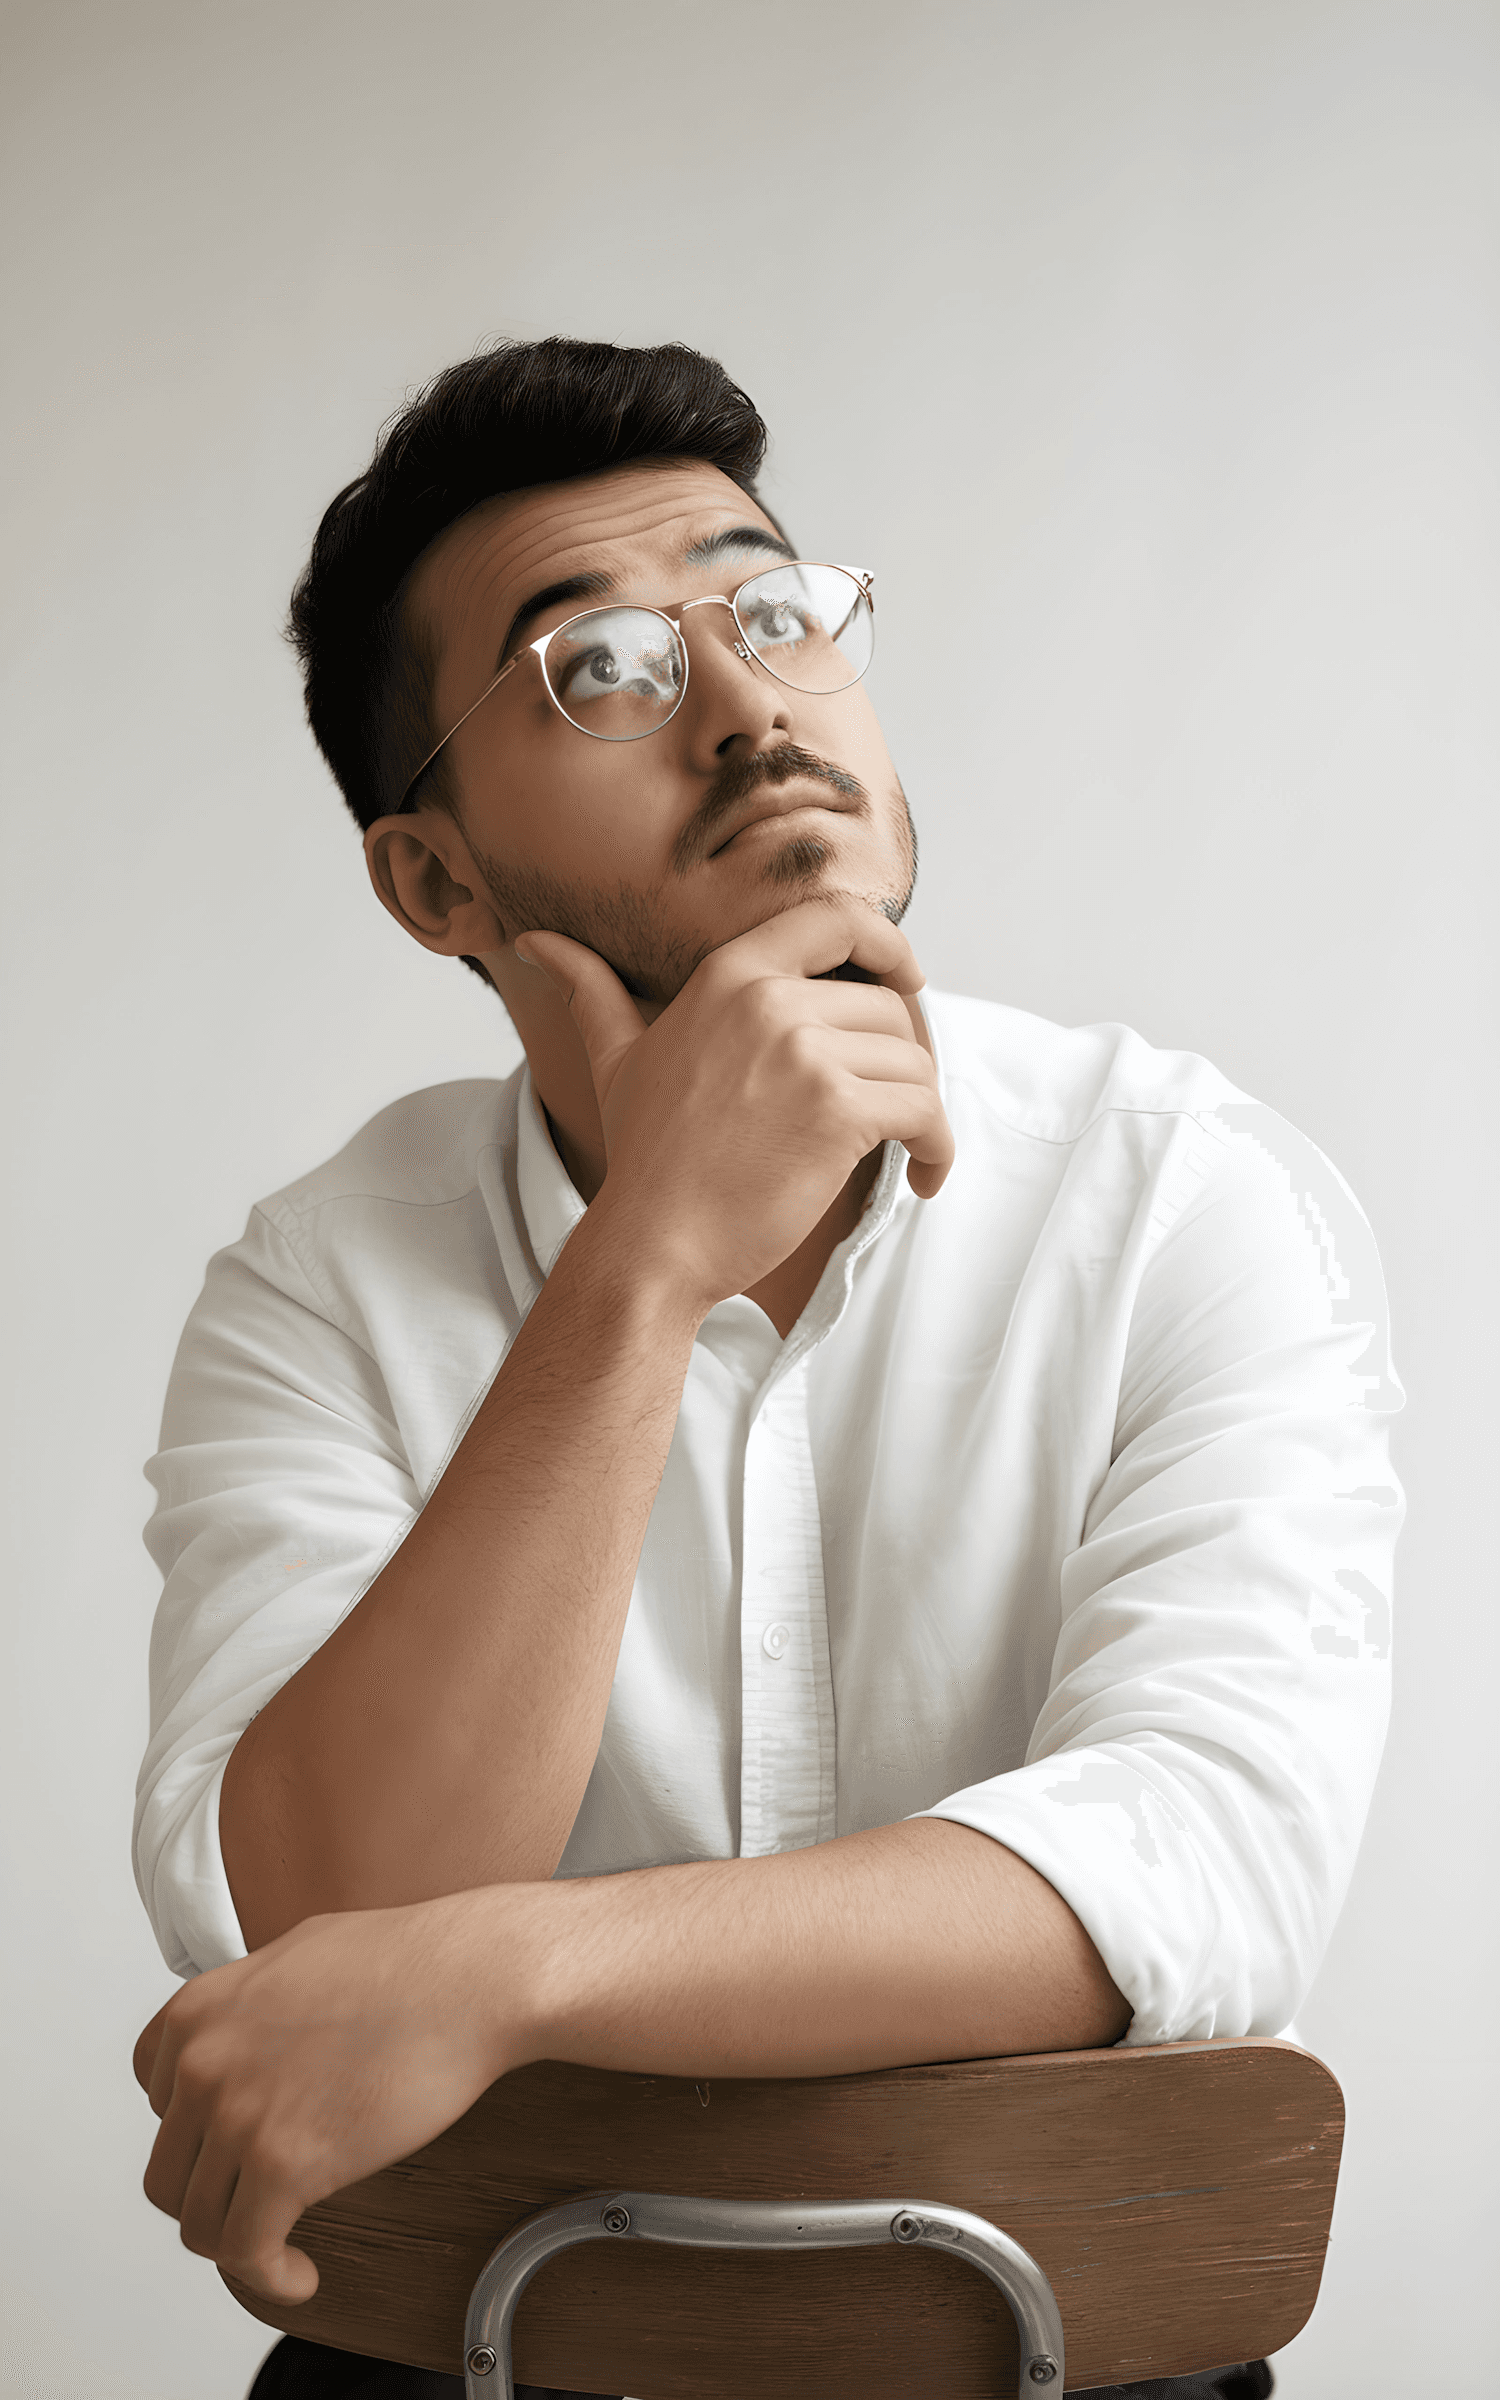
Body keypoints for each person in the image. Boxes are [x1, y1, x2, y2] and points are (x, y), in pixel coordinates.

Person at [131, 338, 1399, 2400]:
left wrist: (518, 1971)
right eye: (599, 669)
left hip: (1081, 2365)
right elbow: (325, 1921)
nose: (747, 706)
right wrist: (643, 1263)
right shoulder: (325, 1285)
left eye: (777, 613)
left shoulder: (1184, 1192)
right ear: (436, 878)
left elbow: (1203, 1858)